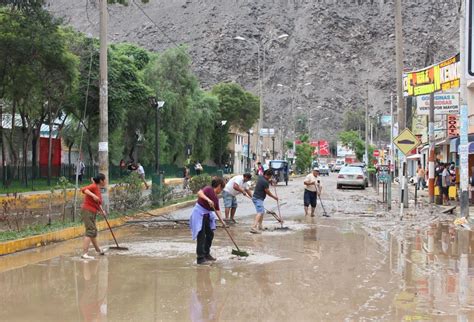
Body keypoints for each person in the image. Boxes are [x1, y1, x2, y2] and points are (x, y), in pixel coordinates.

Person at [189, 177, 225, 264]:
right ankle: (200, 258)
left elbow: (218, 210)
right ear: (219, 186)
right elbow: (199, 193)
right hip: (198, 214)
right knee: (201, 236)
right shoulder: (208, 189)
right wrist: (208, 199)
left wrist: (222, 221)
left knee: (210, 234)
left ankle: (206, 253)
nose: (221, 190)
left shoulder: (216, 198)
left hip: (207, 216)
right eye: (222, 188)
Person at [80, 173, 107, 259]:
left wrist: (101, 210)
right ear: (101, 181)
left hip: (92, 211)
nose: (105, 181)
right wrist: (93, 195)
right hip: (88, 211)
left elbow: (97, 203)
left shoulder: (98, 188)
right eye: (104, 179)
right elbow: (84, 189)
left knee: (93, 231)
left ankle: (98, 250)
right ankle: (84, 253)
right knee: (90, 231)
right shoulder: (94, 186)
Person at [250, 169, 279, 234]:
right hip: (258, 198)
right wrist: (275, 197)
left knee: (262, 212)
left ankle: (260, 226)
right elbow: (268, 192)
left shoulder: (261, 177)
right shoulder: (265, 182)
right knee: (260, 212)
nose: (270, 177)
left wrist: (271, 181)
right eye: (270, 176)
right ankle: (253, 227)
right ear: (268, 175)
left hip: (256, 197)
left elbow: (266, 180)